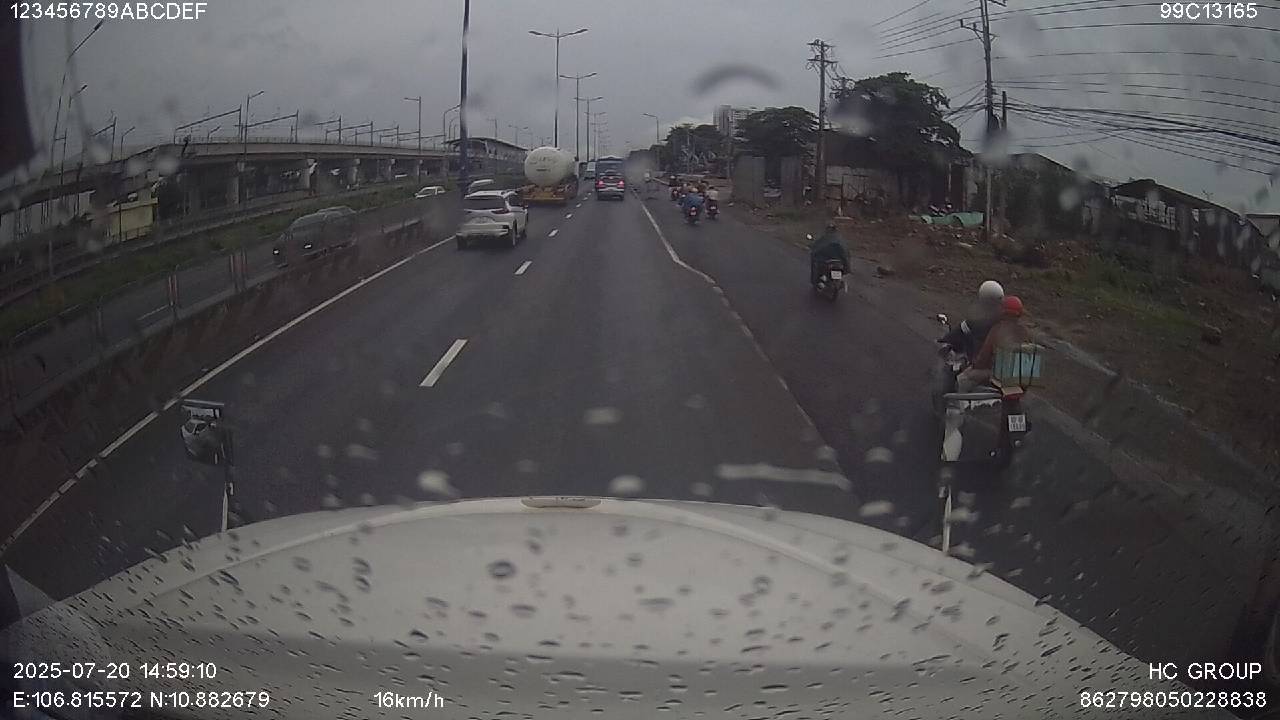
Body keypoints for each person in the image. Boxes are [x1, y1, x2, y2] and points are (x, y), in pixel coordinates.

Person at [957, 295, 1030, 393]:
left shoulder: (997, 330)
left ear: (1003, 311)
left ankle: (956, 402)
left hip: (997, 377)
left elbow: (983, 358)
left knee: (962, 380)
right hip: (1019, 381)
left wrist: (974, 365)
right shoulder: (1025, 332)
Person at [939, 280, 1005, 359]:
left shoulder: (976, 321)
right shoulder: (1002, 319)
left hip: (978, 361)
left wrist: (944, 342)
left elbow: (955, 334)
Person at [809, 220, 850, 286]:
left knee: (816, 263)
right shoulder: (839, 238)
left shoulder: (824, 237)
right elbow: (845, 250)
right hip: (838, 261)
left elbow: (817, 246)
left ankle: (815, 280)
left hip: (827, 260)